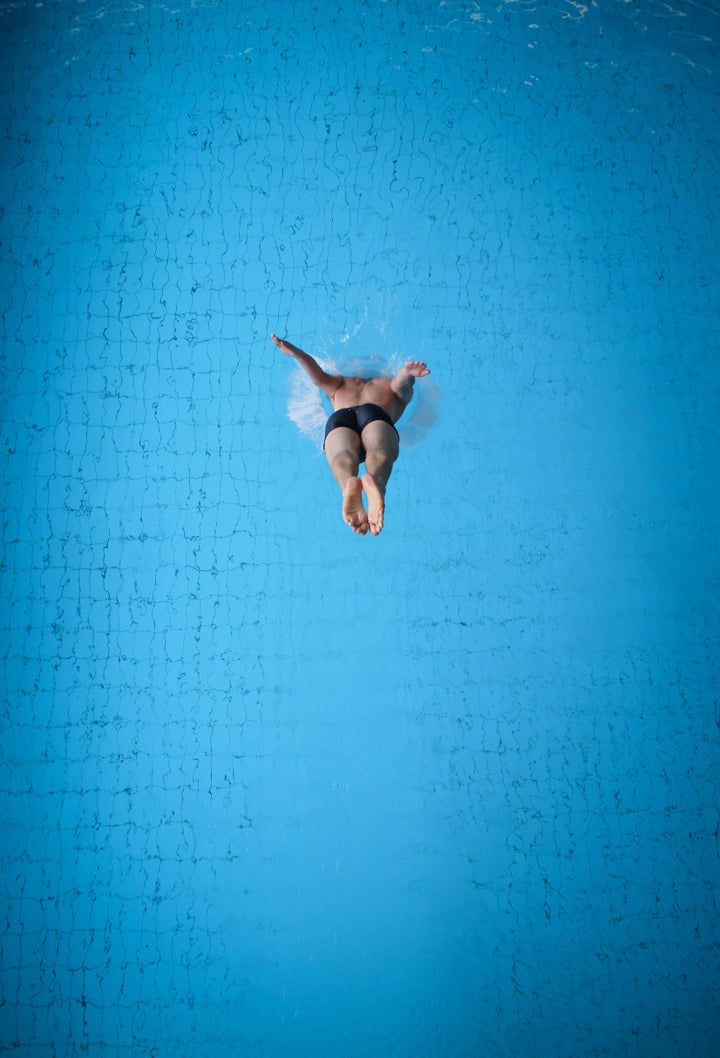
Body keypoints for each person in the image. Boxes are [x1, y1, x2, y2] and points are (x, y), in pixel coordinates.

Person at [272, 334, 430, 536]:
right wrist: (407, 373)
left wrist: (297, 353)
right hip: (376, 414)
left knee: (340, 457)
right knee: (380, 451)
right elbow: (402, 385)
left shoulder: (339, 384)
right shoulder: (387, 384)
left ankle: (348, 484)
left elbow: (317, 377)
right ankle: (377, 485)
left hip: (340, 419)